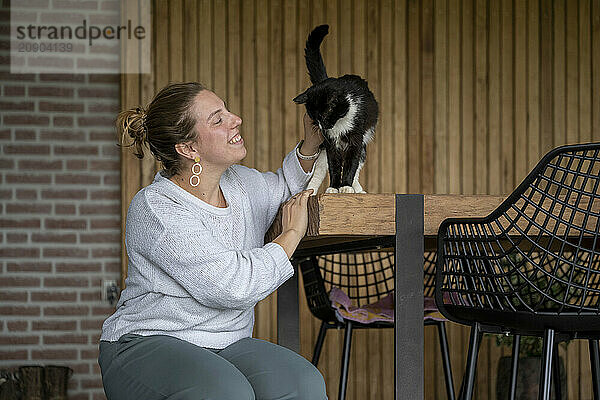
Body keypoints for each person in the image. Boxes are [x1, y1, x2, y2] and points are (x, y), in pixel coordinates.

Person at [98, 82, 328, 400]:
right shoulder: (158, 208)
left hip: (227, 342)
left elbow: (284, 189)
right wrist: (291, 236)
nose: (236, 119)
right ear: (189, 148)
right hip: (147, 340)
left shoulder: (241, 184)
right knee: (226, 392)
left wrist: (310, 144)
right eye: (218, 119)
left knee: (303, 383)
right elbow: (231, 286)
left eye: (227, 110)